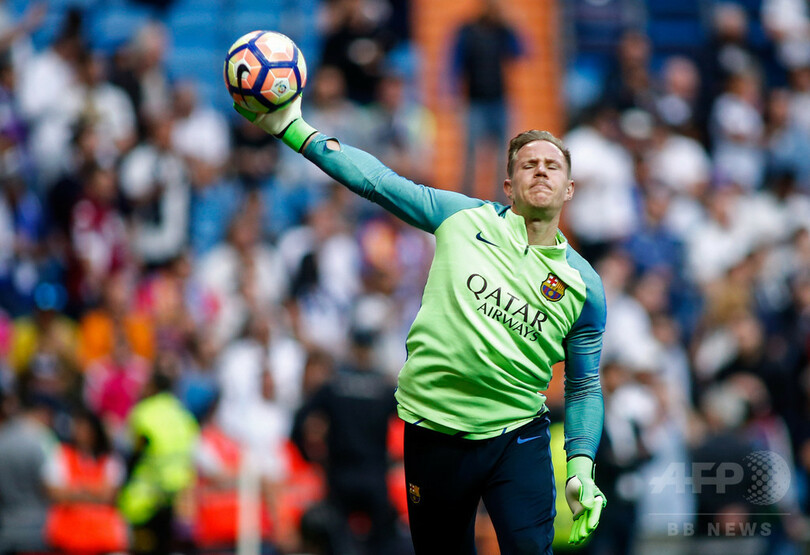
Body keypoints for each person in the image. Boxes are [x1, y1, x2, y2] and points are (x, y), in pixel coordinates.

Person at [233, 75, 607, 553]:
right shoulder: (462, 218)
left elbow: (583, 385)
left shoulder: (584, 287)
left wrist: (580, 466)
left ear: (569, 189)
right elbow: (378, 182)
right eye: (528, 164)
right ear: (508, 186)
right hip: (433, 429)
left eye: (552, 166)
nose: (540, 171)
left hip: (516, 434)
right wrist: (293, 128)